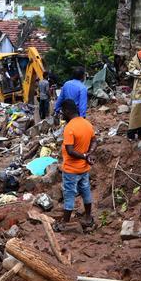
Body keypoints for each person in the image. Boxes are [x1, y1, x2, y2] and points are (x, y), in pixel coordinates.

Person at [56, 99, 96, 231]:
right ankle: (89, 217)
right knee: (86, 191)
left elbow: (70, 151)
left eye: (62, 112)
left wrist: (85, 155)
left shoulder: (69, 128)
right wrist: (89, 153)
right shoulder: (87, 124)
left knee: (69, 195)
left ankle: (65, 223)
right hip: (84, 168)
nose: (61, 115)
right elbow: (94, 141)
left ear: (67, 111)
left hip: (71, 170)